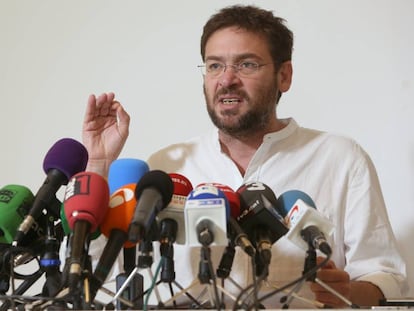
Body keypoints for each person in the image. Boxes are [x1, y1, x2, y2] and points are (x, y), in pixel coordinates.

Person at [82, 4, 408, 309]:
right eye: (214, 65)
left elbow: (385, 275)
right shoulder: (166, 169)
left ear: (284, 76)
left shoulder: (340, 158)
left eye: (246, 64)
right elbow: (103, 276)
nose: (226, 80)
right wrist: (98, 164)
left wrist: (350, 295)